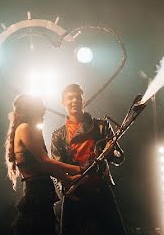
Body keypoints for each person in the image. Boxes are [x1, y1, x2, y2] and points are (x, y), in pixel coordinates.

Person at [50, 83, 127, 235]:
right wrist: (67, 188)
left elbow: (119, 158)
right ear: (63, 102)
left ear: (83, 100)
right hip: (75, 193)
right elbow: (57, 169)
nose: (74, 101)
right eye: (70, 98)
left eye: (77, 97)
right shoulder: (58, 135)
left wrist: (111, 151)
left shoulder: (102, 126)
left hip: (101, 190)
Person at [6, 94, 82, 235]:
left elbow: (45, 167)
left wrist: (67, 179)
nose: (44, 110)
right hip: (37, 193)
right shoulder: (24, 128)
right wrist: (78, 169)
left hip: (41, 191)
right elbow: (45, 160)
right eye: (41, 107)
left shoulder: (31, 129)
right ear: (31, 109)